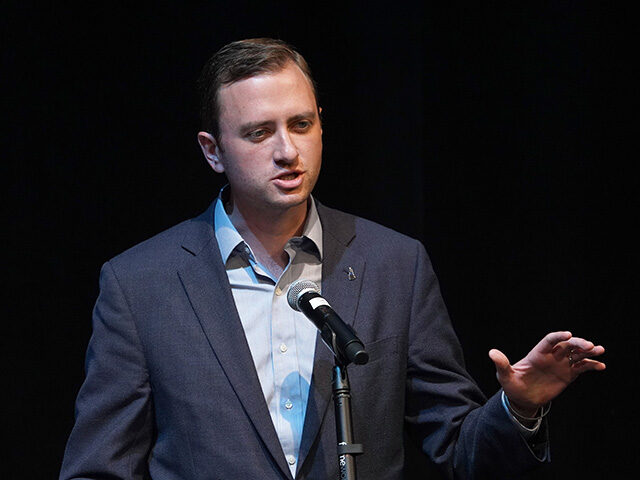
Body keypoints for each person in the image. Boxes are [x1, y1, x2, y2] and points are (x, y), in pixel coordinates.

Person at [60, 38, 606, 480]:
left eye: (301, 124)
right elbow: (98, 468)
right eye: (258, 132)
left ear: (321, 123)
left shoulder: (396, 264)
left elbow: (459, 452)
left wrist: (519, 410)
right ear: (212, 150)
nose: (287, 151)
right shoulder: (140, 283)